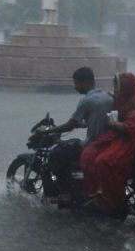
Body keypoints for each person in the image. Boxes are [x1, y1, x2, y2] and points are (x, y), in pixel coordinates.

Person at [32, 67, 114, 200]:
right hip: (108, 143)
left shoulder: (86, 101)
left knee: (56, 154)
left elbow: (70, 125)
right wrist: (83, 124)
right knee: (70, 144)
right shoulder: (107, 97)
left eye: (76, 83)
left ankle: (66, 193)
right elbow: (101, 118)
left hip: (93, 144)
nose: (75, 87)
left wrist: (48, 130)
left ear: (85, 83)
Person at [80, 72, 135, 214]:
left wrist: (113, 124)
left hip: (132, 142)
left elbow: (130, 127)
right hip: (125, 138)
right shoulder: (130, 96)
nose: (117, 90)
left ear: (126, 87)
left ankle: (110, 199)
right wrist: (115, 97)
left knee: (102, 161)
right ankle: (96, 191)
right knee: (91, 152)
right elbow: (122, 105)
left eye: (119, 87)